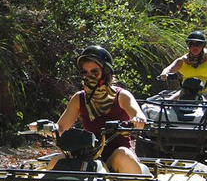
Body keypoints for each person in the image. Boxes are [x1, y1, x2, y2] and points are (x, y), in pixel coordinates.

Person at [55, 45, 148, 174]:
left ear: (105, 73)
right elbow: (60, 127)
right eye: (85, 72)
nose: (89, 76)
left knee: (123, 155)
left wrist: (139, 119)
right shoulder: (79, 98)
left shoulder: (121, 96)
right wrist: (45, 127)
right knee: (57, 160)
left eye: (95, 72)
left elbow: (138, 114)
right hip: (89, 156)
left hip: (116, 156)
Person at [157, 30, 207, 101]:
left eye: (198, 44)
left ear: (203, 45)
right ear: (188, 45)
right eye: (191, 44)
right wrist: (164, 74)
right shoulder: (183, 60)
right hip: (186, 92)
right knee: (167, 105)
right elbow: (170, 68)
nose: (195, 47)